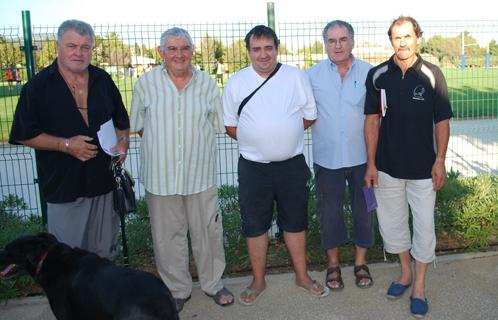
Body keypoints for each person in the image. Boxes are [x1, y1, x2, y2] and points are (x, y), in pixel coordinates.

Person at [223, 25, 329, 306]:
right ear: (248, 52)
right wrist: (259, 142)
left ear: (277, 49)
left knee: (296, 221)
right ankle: (258, 280)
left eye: (268, 48)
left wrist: (284, 136)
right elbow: (231, 126)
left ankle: (302, 275)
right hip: (253, 168)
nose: (263, 54)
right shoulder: (236, 82)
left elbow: (309, 116)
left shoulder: (295, 77)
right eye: (256, 49)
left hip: (291, 166)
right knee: (255, 224)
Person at [129, 27, 234, 313]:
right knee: (167, 237)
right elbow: (138, 125)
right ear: (161, 52)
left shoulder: (208, 84)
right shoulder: (145, 84)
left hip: (200, 175)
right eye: (172, 49)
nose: (179, 54)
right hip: (160, 177)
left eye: (184, 48)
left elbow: (217, 124)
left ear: (192, 51)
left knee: (208, 234)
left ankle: (213, 284)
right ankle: (177, 290)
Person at [9, 19, 130, 260]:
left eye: (86, 47)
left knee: (105, 258)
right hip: (65, 189)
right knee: (68, 263)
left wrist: (123, 144)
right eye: (72, 45)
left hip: (104, 186)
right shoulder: (38, 87)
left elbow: (122, 123)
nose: (79, 52)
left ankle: (102, 299)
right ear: (58, 47)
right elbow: (24, 134)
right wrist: (65, 145)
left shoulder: (102, 80)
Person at [363, 16, 452, 318]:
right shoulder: (378, 76)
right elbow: (372, 121)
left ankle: (420, 286)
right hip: (387, 168)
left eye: (407, 36)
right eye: (396, 37)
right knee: (393, 225)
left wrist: (439, 160)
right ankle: (405, 273)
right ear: (391, 41)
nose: (402, 42)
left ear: (418, 38)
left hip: (424, 170)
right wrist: (371, 164)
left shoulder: (432, 74)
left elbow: (442, 122)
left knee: (424, 227)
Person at [307, 20, 374, 292]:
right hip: (327, 160)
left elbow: (377, 118)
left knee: (366, 209)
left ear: (353, 41)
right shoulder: (311, 76)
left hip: (364, 160)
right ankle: (333, 265)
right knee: (329, 213)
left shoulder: (370, 73)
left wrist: (374, 161)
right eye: (332, 41)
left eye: (343, 39)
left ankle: (360, 263)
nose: (338, 45)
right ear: (325, 44)